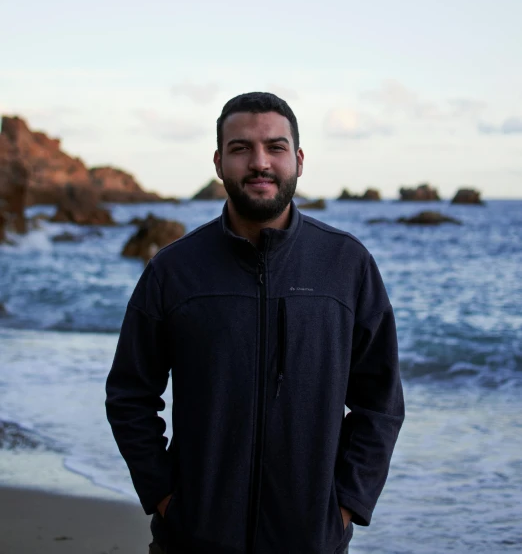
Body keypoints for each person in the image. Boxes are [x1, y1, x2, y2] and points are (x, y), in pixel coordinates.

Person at [106, 91, 405, 554]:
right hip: (191, 541)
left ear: (299, 160)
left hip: (310, 541)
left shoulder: (347, 265)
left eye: (276, 147)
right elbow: (129, 394)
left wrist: (345, 505)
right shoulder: (174, 270)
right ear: (219, 162)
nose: (259, 162)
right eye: (241, 148)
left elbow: (380, 404)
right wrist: (165, 497)